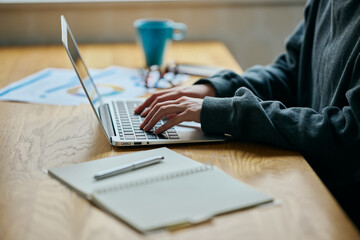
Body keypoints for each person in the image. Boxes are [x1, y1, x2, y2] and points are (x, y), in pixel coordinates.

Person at [134, 0, 360, 228]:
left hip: (335, 208)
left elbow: (348, 136)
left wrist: (225, 112)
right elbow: (290, 73)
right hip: (306, 177)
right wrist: (215, 89)